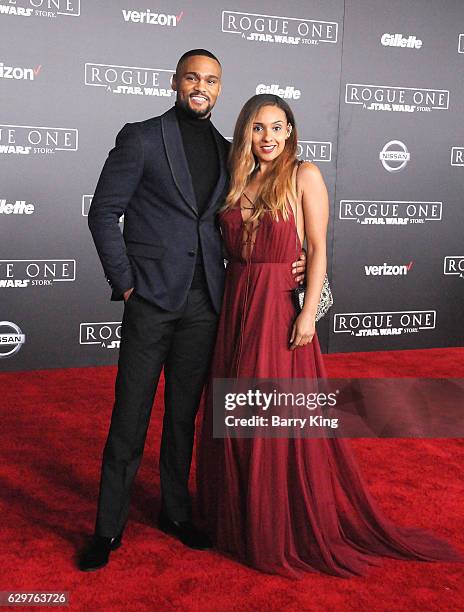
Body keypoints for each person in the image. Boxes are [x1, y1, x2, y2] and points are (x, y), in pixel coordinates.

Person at [196, 94, 463, 578]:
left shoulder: (304, 175)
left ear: (291, 131)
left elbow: (318, 248)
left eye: (278, 127)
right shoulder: (237, 179)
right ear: (245, 133)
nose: (269, 138)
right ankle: (233, 517)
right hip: (236, 304)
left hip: (278, 308)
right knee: (232, 410)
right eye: (258, 128)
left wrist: (308, 315)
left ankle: (274, 526)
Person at [79, 51, 306, 571]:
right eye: (192, 77)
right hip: (151, 301)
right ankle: (107, 528)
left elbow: (254, 223)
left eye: (211, 80)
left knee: (185, 417)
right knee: (129, 418)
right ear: (176, 81)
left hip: (209, 303)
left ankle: (175, 512)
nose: (200, 86)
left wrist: (296, 264)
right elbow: (103, 214)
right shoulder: (140, 137)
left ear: (220, 89)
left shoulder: (233, 153)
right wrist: (128, 286)